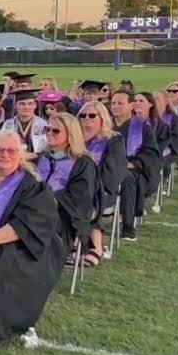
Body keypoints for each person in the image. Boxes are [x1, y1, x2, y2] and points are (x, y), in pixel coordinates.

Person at [0, 130, 66, 345]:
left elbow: (25, 225)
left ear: (21, 155)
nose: (4, 155)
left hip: (17, 245)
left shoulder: (32, 186)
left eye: (11, 150)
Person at [40, 113, 97, 256]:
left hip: (64, 217)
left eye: (56, 130)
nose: (50, 134)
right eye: (47, 129)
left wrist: (47, 200)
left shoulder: (83, 163)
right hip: (34, 210)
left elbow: (80, 200)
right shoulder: (41, 157)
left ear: (71, 133)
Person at [79, 102, 127, 264]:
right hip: (73, 188)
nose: (86, 118)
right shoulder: (73, 138)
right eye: (83, 115)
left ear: (102, 118)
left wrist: (92, 185)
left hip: (102, 188)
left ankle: (95, 245)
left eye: (92, 115)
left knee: (89, 198)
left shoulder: (113, 139)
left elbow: (113, 171)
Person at [109, 91, 160, 242]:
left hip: (131, 169)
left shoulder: (143, 129)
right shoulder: (104, 124)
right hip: (104, 168)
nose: (115, 106)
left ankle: (128, 224)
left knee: (128, 179)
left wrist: (133, 163)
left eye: (120, 103)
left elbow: (151, 154)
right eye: (113, 103)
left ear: (131, 105)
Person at [1, 89, 47, 155]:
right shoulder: (8, 124)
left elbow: (45, 149)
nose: (26, 107)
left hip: (37, 161)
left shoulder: (43, 124)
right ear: (15, 106)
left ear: (35, 105)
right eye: (22, 104)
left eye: (30, 103)